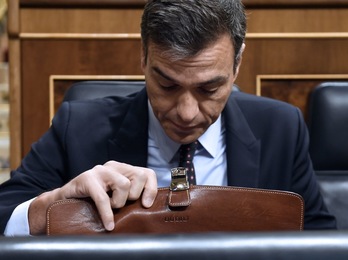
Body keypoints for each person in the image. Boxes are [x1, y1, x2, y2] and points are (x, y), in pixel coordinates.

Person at [0, 0, 336, 235]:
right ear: (144, 57)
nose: (187, 113)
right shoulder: (79, 127)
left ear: (237, 64)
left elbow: (321, 240)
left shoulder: (281, 128)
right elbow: (5, 215)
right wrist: (52, 205)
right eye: (168, 85)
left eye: (209, 89)